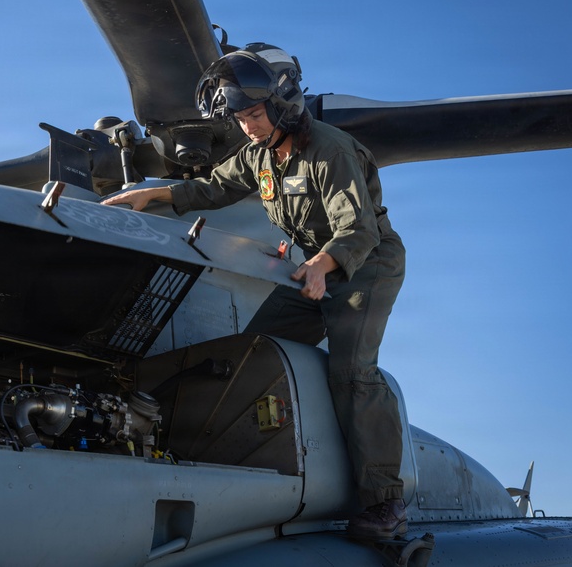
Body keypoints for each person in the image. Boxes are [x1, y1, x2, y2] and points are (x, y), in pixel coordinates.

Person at [102, 43, 408, 539]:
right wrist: (153, 193)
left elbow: (358, 230)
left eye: (254, 114)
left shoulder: (330, 150)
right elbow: (213, 188)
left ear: (282, 104)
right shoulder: (258, 157)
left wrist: (320, 265)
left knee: (353, 373)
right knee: (254, 351)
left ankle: (385, 502)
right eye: (240, 119)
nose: (247, 126)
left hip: (366, 266)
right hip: (313, 267)